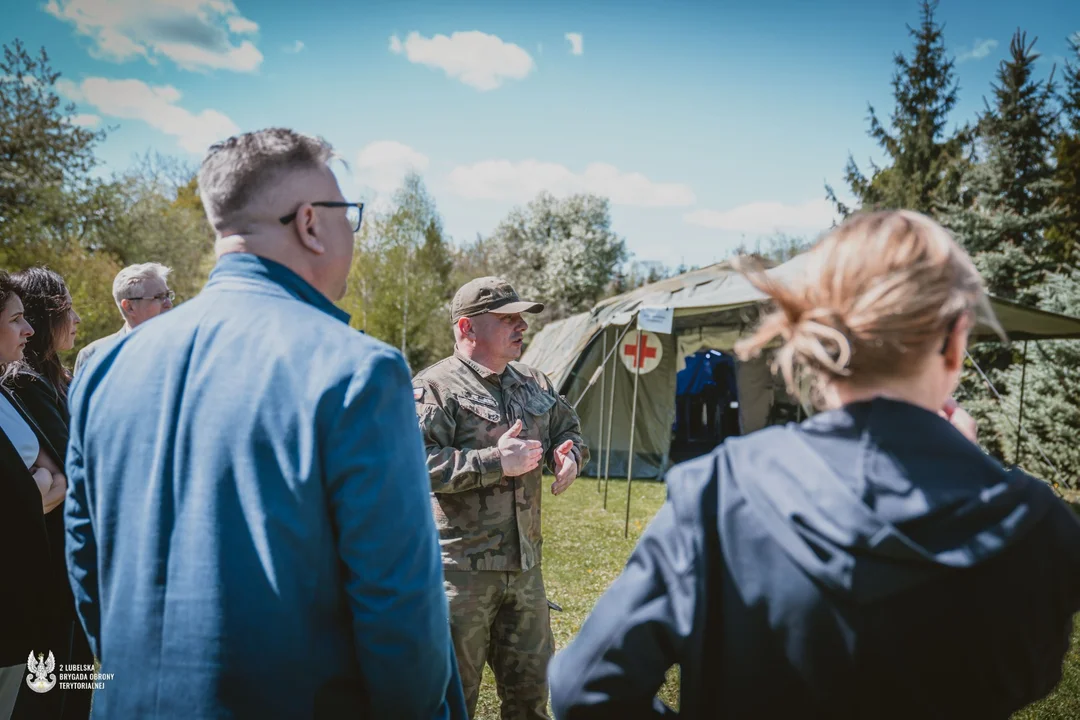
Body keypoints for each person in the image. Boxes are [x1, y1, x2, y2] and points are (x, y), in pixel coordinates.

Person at [547, 210, 1080, 719]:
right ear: (956, 339)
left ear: (812, 340)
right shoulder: (1036, 525)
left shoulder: (719, 492)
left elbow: (584, 688)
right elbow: (1028, 674)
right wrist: (965, 467)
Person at [65, 128, 466, 719]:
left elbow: (86, 566)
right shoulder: (357, 371)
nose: (351, 235)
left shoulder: (105, 367)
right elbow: (399, 611)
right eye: (348, 215)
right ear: (310, 223)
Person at [413, 277, 590, 720]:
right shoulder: (435, 387)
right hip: (461, 575)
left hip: (525, 570)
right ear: (467, 328)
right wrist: (494, 461)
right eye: (507, 319)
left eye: (521, 318)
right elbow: (412, 464)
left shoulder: (534, 381)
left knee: (531, 699)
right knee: (451, 701)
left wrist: (568, 455)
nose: (521, 327)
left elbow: (567, 429)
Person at [8, 268, 94, 720]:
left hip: (67, 547)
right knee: (55, 682)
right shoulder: (25, 382)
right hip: (52, 554)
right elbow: (70, 467)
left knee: (75, 678)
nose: (76, 319)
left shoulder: (55, 377)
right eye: (67, 309)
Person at [0, 272, 68, 719]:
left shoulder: (5, 392)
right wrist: (34, 489)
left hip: (25, 591)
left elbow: (57, 474)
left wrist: (32, 489)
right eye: (15, 320)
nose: (28, 330)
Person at [72, 262, 173, 376]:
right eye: (159, 297)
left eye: (168, 295)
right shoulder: (93, 356)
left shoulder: (181, 347)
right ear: (129, 307)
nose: (169, 304)